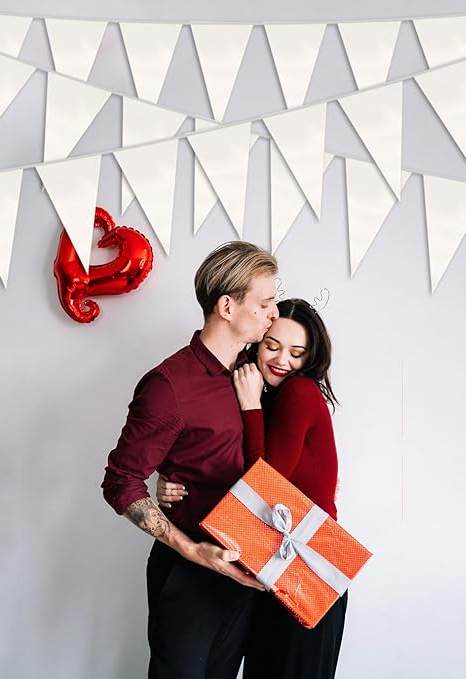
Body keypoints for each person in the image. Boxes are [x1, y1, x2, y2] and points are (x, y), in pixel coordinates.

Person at [101, 241, 279, 679]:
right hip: (191, 571)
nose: (273, 314)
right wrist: (194, 550)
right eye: (264, 304)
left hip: (247, 569)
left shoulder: (257, 370)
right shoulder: (169, 386)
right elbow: (121, 482)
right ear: (227, 307)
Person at [157, 298, 347, 679]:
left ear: (310, 358)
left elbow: (263, 482)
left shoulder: (298, 392)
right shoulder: (268, 394)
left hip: (307, 570)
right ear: (258, 341)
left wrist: (250, 406)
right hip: (273, 569)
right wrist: (169, 477)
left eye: (296, 353)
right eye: (272, 346)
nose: (282, 360)